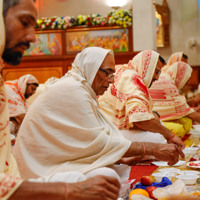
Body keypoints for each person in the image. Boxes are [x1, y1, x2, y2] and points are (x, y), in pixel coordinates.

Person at [0, 0, 122, 199]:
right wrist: (68, 190)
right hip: (32, 171)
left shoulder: (84, 90)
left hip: (18, 178)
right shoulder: (72, 88)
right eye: (24, 22)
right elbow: (96, 142)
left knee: (102, 179)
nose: (32, 37)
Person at [13, 47, 184, 183]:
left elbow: (83, 138)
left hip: (58, 159)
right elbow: (99, 140)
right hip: (39, 168)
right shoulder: (73, 89)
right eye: (107, 72)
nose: (111, 79)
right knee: (106, 177)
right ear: (91, 68)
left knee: (110, 172)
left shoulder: (82, 88)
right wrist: (154, 148)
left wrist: (118, 156)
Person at [98, 50, 185, 148]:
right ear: (147, 67)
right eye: (156, 72)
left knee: (159, 127)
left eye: (159, 73)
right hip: (109, 131)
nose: (157, 78)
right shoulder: (132, 77)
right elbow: (139, 120)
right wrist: (170, 136)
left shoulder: (123, 69)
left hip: (109, 127)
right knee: (159, 140)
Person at [149, 61, 200, 139]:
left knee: (187, 122)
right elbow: (190, 113)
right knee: (179, 130)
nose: (188, 83)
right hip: (152, 121)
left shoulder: (166, 77)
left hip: (158, 117)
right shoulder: (168, 83)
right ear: (181, 76)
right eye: (187, 79)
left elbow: (184, 108)